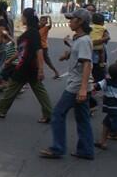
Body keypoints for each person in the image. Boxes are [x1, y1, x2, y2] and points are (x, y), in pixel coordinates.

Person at [40, 9, 94, 160]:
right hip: (80, 85)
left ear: (80, 22)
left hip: (77, 86)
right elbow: (79, 53)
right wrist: (68, 53)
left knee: (57, 114)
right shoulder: (80, 39)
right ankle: (86, 150)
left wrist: (82, 88)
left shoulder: (83, 41)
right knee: (83, 119)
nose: (70, 22)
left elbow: (87, 64)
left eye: (72, 19)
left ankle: (58, 148)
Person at [0, 8, 52, 123]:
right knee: (39, 91)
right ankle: (49, 113)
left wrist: (41, 70)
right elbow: (22, 50)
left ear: (26, 18)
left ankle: (0, 110)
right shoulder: (31, 32)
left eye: (23, 16)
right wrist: (10, 60)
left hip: (25, 67)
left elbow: (39, 51)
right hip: (30, 67)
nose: (21, 18)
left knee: (12, 89)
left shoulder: (32, 33)